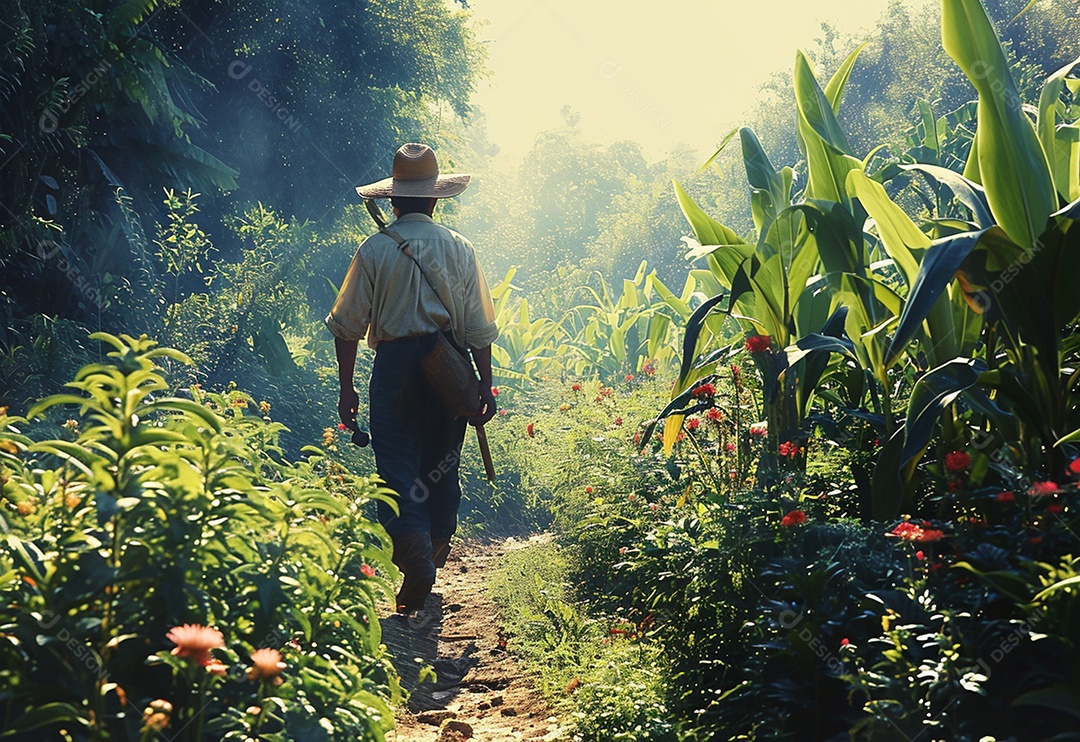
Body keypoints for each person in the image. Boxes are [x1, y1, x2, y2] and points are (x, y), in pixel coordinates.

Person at [325, 143, 498, 614]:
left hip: (396, 368)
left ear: (393, 201)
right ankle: (433, 544)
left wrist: (347, 387)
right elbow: (479, 328)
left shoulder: (375, 248)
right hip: (449, 367)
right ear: (436, 201)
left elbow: (346, 326)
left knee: (397, 467)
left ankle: (414, 551)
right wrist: (483, 383)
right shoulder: (460, 248)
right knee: (442, 463)